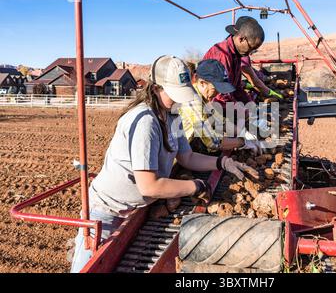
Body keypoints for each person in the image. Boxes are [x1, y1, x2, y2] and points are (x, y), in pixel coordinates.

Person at [70, 55, 257, 273]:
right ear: (157, 87)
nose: (179, 100)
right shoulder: (145, 122)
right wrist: (195, 186)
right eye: (174, 94)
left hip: (136, 210)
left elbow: (187, 157)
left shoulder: (171, 115)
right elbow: (149, 186)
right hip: (107, 213)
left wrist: (223, 162)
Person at [178, 59, 264, 154]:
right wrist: (243, 142)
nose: (218, 93)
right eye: (215, 89)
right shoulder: (192, 100)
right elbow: (212, 142)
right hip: (179, 155)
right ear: (202, 83)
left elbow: (219, 121)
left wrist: (243, 133)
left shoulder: (203, 96)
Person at [203, 16, 282, 105]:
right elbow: (220, 97)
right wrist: (242, 111)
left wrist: (250, 104)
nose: (250, 53)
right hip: (212, 105)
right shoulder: (222, 55)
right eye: (251, 48)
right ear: (241, 39)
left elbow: (237, 88)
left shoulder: (237, 55)